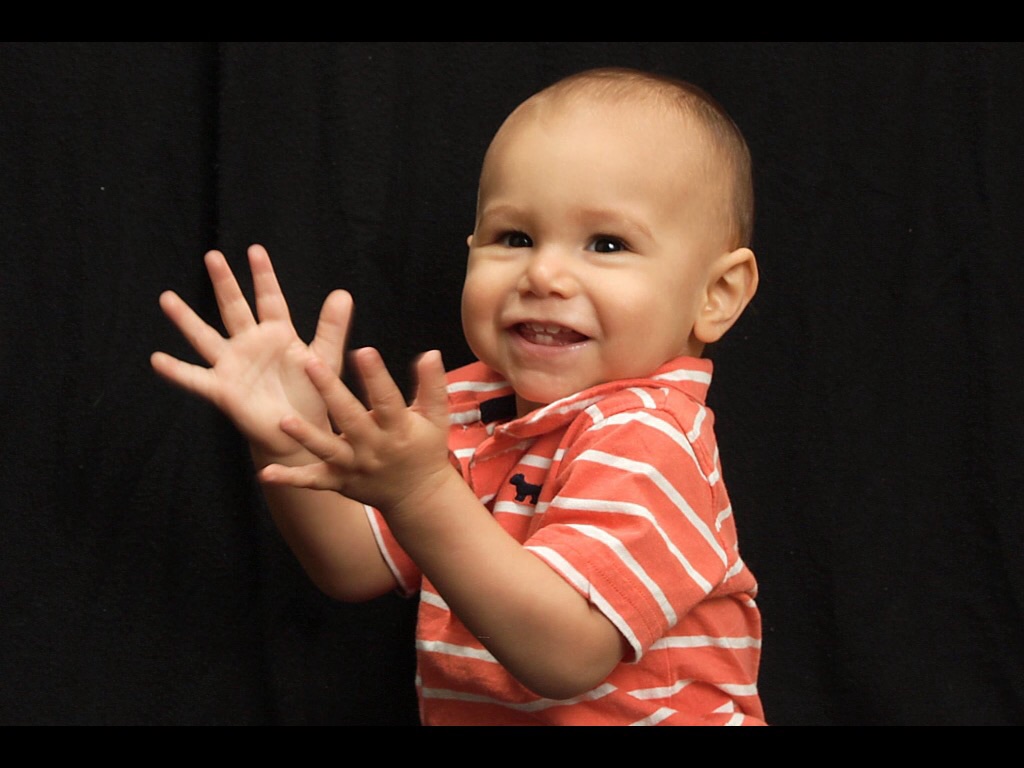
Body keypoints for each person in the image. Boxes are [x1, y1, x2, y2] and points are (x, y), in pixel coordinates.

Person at [151, 67, 764, 725]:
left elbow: (566, 654)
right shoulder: (473, 406)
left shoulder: (650, 436)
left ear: (716, 295)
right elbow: (351, 565)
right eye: (515, 238)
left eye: (607, 244)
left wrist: (422, 494)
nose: (544, 274)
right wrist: (289, 434)